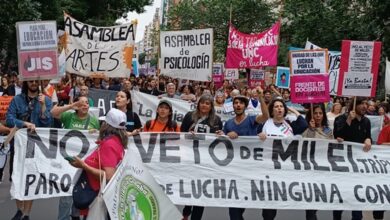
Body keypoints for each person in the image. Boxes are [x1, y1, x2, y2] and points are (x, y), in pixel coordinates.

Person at [69, 108, 128, 218]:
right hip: (94, 193)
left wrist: (83, 166)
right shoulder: (114, 142)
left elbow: (109, 176)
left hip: (94, 195)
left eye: (102, 122)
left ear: (106, 125)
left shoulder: (109, 144)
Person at [7, 80, 53, 220]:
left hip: (35, 147)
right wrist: (24, 123)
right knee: (16, 178)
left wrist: (44, 105)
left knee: (30, 179)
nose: (33, 83)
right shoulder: (17, 99)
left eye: (35, 81)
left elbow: (47, 123)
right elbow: (9, 119)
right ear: (26, 82)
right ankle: (19, 210)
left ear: (39, 83)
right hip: (18, 145)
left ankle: (26, 213)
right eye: (30, 81)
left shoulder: (47, 100)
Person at [222, 87, 269, 220]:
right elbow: (221, 143)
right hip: (233, 170)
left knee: (244, 202)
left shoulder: (251, 120)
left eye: (241, 103)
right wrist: (225, 134)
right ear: (233, 106)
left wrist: (260, 97)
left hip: (250, 169)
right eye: (236, 103)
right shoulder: (228, 124)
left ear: (245, 106)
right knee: (234, 210)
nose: (238, 105)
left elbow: (265, 116)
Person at [258, 98, 308, 220]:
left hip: (285, 169)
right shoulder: (266, 124)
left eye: (281, 106)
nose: (279, 108)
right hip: (269, 168)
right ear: (272, 110)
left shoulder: (289, 125)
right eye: (276, 106)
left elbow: (303, 124)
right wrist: (260, 136)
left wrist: (292, 109)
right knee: (269, 203)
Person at [51, 96, 100, 220]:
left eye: (87, 103)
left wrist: (95, 134)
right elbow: (53, 113)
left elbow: (99, 142)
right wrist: (71, 106)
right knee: (66, 198)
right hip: (68, 164)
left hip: (84, 166)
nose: (85, 105)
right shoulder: (69, 116)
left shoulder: (94, 120)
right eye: (81, 103)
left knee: (79, 198)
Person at [181, 94, 223, 220]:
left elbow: (218, 140)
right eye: (202, 102)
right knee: (191, 187)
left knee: (202, 190)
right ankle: (186, 211)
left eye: (208, 103)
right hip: (191, 157)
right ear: (198, 104)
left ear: (211, 106)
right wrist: (188, 134)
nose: (204, 105)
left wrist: (220, 134)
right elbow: (181, 133)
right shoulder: (190, 116)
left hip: (206, 160)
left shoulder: (216, 120)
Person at [333, 97, 371, 220]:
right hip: (342, 165)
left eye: (366, 104)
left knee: (358, 195)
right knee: (341, 196)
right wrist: (349, 120)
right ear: (354, 105)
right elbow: (338, 135)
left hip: (358, 165)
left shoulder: (366, 121)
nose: (365, 106)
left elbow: (368, 136)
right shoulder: (341, 119)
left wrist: (368, 139)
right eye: (362, 104)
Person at [301, 104, 332, 220]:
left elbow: (331, 148)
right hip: (309, 168)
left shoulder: (329, 131)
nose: (318, 116)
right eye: (315, 113)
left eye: (320, 113)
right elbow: (304, 145)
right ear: (311, 115)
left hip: (322, 169)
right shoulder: (306, 128)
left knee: (318, 197)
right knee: (310, 201)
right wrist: (311, 129)